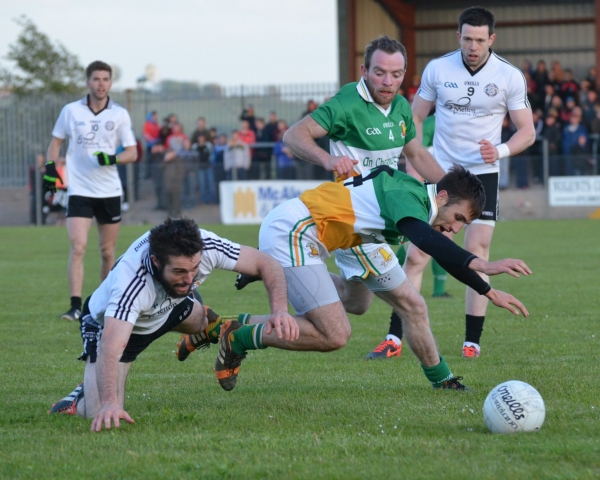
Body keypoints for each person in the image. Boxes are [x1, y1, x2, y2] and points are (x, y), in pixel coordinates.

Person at [180, 165, 531, 392]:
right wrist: (482, 271)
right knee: (335, 334)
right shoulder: (409, 199)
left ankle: (443, 382)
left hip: (351, 238)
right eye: (457, 218)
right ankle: (237, 337)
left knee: (379, 303)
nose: (455, 228)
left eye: (462, 225)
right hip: (296, 231)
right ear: (440, 197)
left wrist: (484, 284)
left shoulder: (414, 194)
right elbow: (427, 241)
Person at [371, 6, 535, 359]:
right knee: (416, 254)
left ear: (491, 39)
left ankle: (471, 343)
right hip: (441, 172)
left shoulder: (509, 76)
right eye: (467, 39)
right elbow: (414, 118)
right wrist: (416, 165)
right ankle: (395, 338)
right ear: (457, 36)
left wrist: (501, 150)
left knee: (477, 250)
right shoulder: (438, 69)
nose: (473, 46)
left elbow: (528, 132)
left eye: (479, 40)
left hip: (483, 175)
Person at [49, 217, 297, 432]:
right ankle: (78, 397)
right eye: (179, 271)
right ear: (156, 262)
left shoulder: (205, 246)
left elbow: (267, 263)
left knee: (200, 319)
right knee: (100, 412)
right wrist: (111, 402)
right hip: (117, 327)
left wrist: (280, 310)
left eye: (195, 269)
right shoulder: (132, 285)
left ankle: (208, 329)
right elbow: (111, 347)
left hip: (168, 306)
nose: (190, 279)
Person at [45, 61, 138, 322]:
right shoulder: (71, 111)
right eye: (96, 79)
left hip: (109, 192)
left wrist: (111, 159)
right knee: (78, 246)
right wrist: (51, 175)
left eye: (105, 79)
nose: (100, 84)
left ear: (110, 83)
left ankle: (103, 306)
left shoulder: (119, 114)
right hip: (79, 190)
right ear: (88, 82)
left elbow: (132, 152)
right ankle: (75, 306)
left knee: (107, 251)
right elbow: (56, 143)